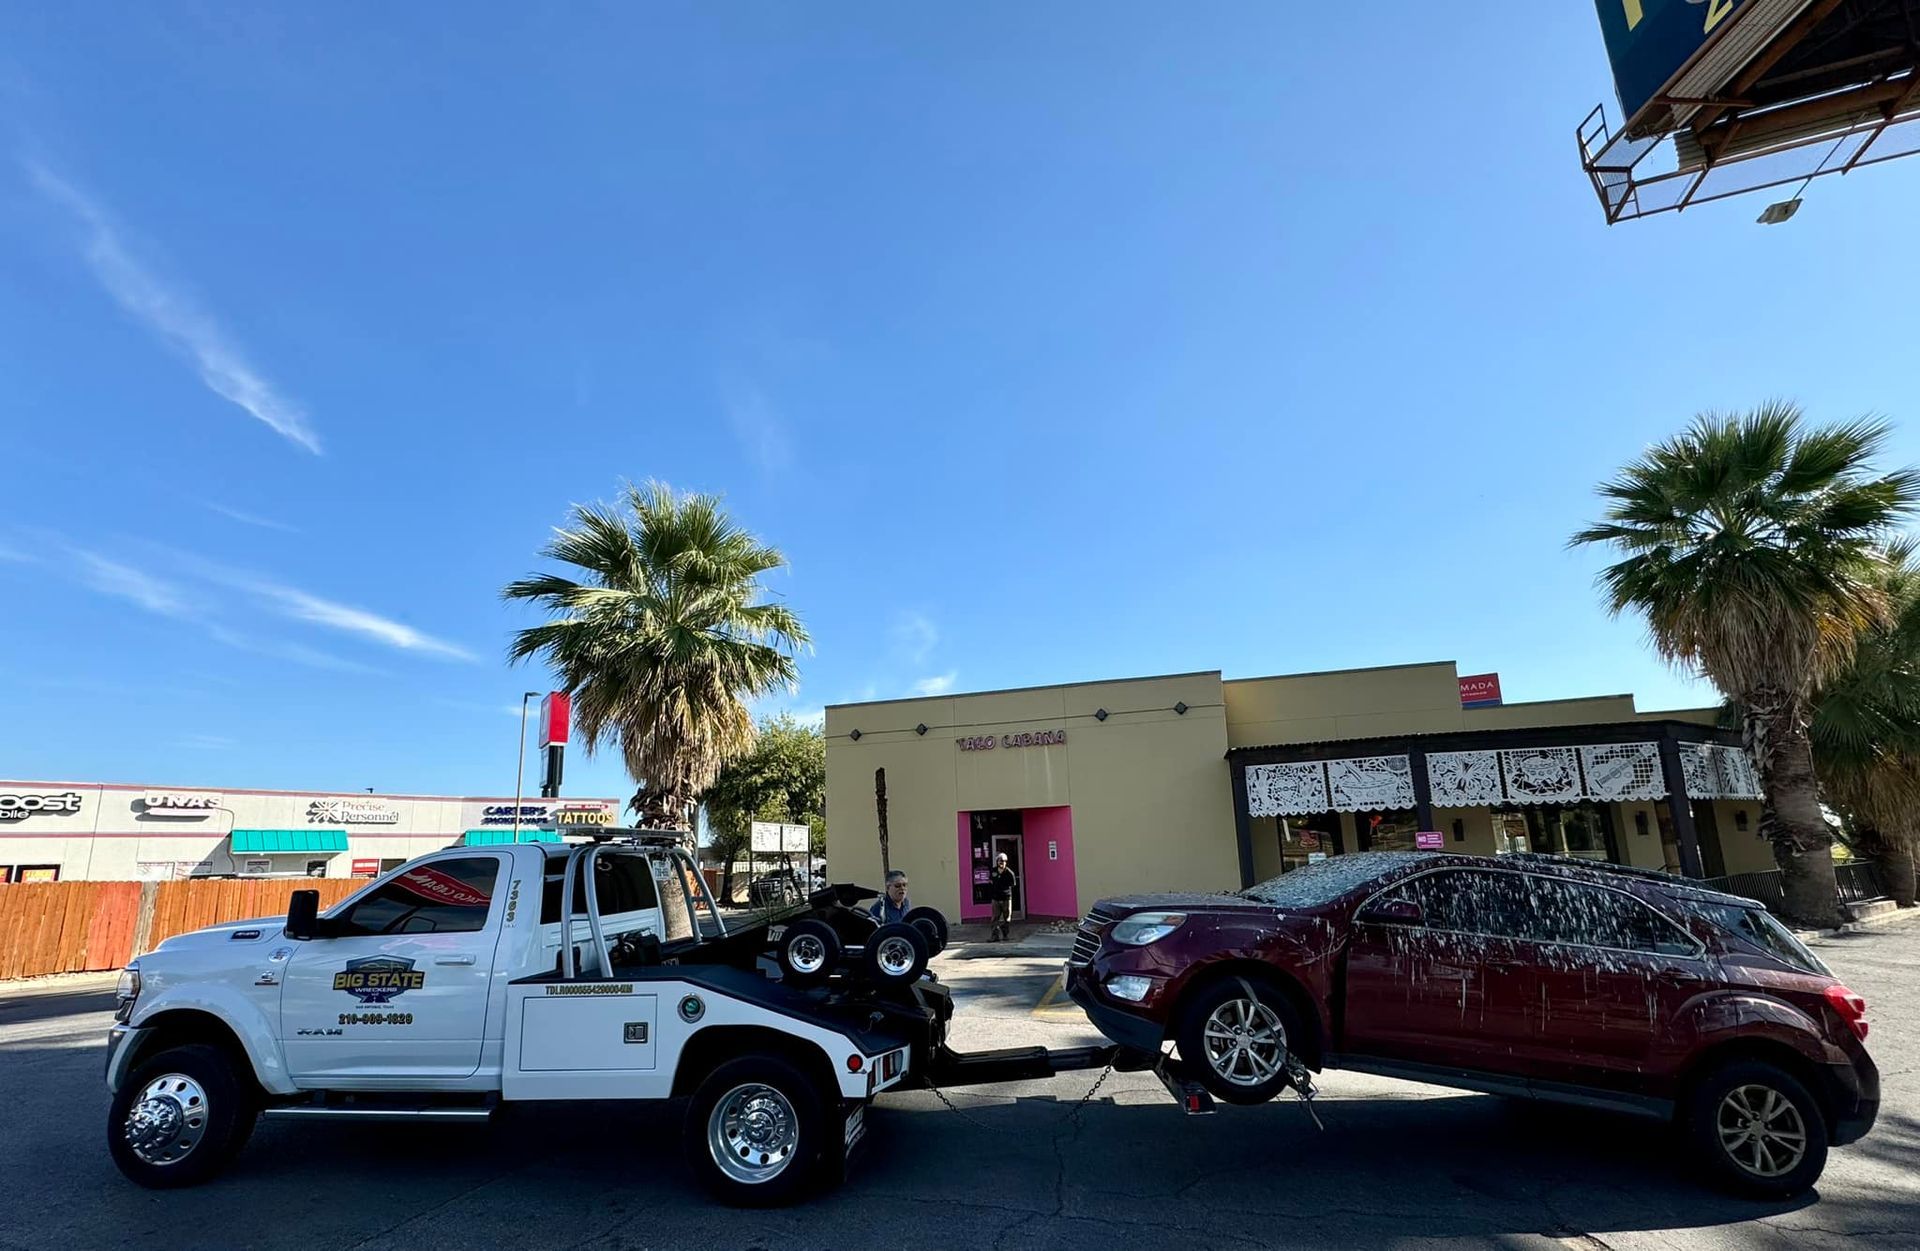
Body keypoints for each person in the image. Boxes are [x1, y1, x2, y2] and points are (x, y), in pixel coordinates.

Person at [989, 852, 1017, 942]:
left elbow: (1013, 885)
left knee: (1007, 918)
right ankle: (994, 936)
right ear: (997, 862)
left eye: (1004, 861)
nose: (1002, 863)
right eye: (1000, 861)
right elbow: (990, 882)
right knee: (994, 918)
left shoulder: (1009, 873)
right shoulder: (993, 871)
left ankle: (1005, 934)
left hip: (1006, 898)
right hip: (995, 898)